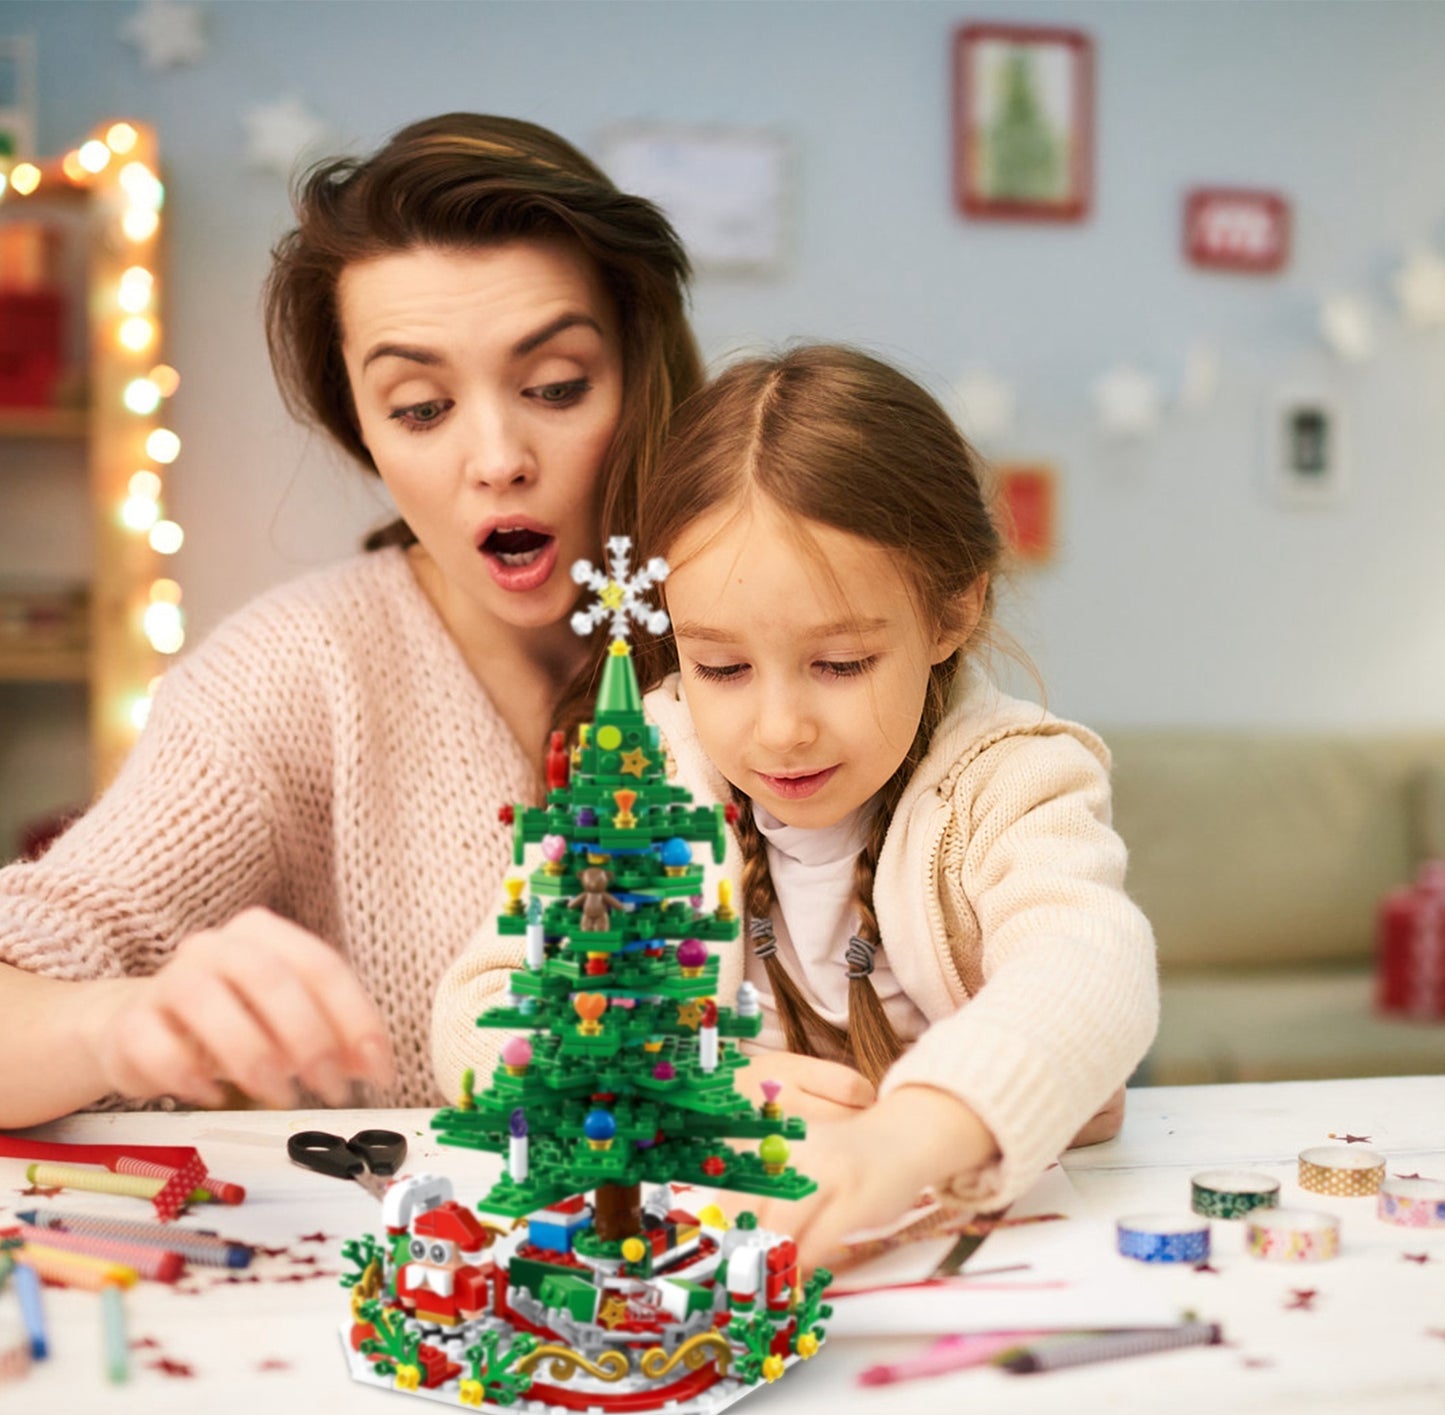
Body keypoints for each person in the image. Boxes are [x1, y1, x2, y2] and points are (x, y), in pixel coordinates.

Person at [0, 113, 701, 1128]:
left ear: (642, 373)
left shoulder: (770, 615)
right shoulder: (295, 674)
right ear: (360, 429)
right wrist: (119, 1021)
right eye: (420, 406)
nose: (496, 454)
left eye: (556, 386)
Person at [431, 344, 1157, 1273]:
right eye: (721, 667)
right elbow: (480, 1016)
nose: (778, 730)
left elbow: (1090, 965)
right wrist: (689, 1097)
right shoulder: (648, 770)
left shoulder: (1012, 781)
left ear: (951, 611)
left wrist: (900, 1141)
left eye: (840, 663)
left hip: (972, 1250)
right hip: (721, 1251)